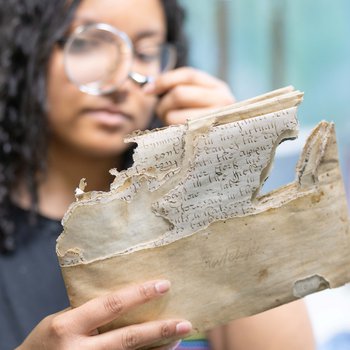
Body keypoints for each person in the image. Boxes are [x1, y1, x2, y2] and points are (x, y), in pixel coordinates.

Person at [0, 0, 316, 349]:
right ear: (25, 51)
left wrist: (230, 174)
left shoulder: (192, 217)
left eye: (146, 52)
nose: (120, 80)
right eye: (87, 44)